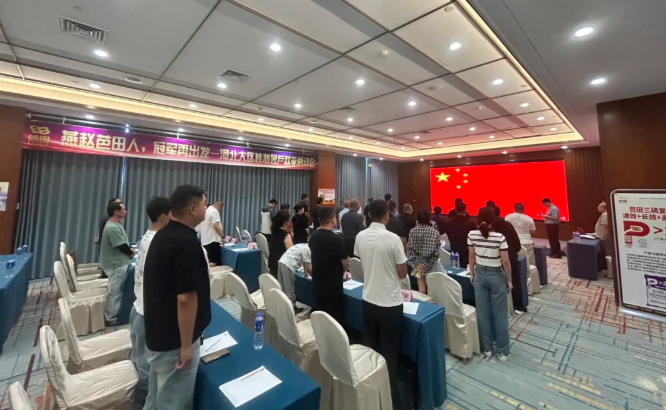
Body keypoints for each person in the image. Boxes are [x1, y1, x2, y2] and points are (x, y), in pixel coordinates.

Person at [142, 185, 211, 409]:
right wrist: (186, 345)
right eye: (204, 204)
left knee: (156, 398)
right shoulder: (185, 243)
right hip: (174, 342)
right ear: (192, 209)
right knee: (174, 402)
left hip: (159, 333)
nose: (207, 208)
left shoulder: (164, 234)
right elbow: (185, 299)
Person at [354, 200, 407, 409]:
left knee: (371, 348)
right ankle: (391, 401)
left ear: (368, 215)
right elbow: (402, 273)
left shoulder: (360, 236)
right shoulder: (393, 239)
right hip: (389, 303)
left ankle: (371, 397)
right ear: (386, 216)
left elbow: (362, 260)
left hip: (368, 299)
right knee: (390, 353)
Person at [129, 196, 170, 409]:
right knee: (148, 372)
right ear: (163, 217)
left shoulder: (147, 236)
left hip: (139, 308)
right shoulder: (158, 241)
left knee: (142, 363)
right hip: (148, 314)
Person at [467, 207, 512, 361]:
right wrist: (509, 280)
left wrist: (472, 274)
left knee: (483, 314)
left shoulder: (471, 234)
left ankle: (487, 348)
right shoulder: (500, 237)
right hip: (496, 276)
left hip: (480, 275)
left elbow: (471, 257)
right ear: (494, 220)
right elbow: (506, 261)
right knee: (500, 315)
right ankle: (502, 351)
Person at [309, 207, 349, 324]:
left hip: (317, 282)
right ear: (332, 219)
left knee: (321, 314)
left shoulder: (313, 236)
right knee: (334, 319)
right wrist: (343, 271)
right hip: (333, 286)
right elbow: (346, 263)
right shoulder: (337, 239)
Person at [100, 201, 133, 326]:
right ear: (116, 212)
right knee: (115, 292)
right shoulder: (112, 227)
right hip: (116, 264)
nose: (125, 211)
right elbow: (121, 245)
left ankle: (111, 315)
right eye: (123, 209)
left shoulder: (114, 224)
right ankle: (110, 318)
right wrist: (130, 253)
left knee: (115, 291)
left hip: (116, 263)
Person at [491, 205, 526, 314]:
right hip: (510, 257)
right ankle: (519, 306)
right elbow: (517, 244)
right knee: (515, 280)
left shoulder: (487, 229)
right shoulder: (507, 225)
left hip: (493, 259)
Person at [409, 208, 443, 294]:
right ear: (429, 218)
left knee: (421, 290)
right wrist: (426, 266)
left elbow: (411, 251)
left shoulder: (412, 231)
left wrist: (419, 265)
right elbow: (436, 254)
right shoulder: (435, 232)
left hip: (417, 264)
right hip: (432, 265)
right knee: (433, 291)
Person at [277, 243, 311, 307]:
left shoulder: (304, 245)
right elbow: (308, 268)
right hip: (289, 265)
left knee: (283, 288)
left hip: (281, 262)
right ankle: (292, 308)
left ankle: (283, 307)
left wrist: (305, 274)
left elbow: (305, 262)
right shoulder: (309, 250)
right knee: (289, 290)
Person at [447, 202, 477, 268]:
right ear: (465, 210)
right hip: (466, 251)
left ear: (455, 210)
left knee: (454, 268)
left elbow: (448, 234)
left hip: (454, 250)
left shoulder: (449, 222)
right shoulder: (470, 223)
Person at [268, 210, 293, 278]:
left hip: (272, 264)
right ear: (285, 222)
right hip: (282, 267)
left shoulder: (274, 232)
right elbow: (291, 253)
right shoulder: (286, 235)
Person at [200, 200, 223, 267]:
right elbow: (216, 226)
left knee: (208, 260)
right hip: (212, 240)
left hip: (205, 240)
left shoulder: (206, 211)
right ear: (219, 205)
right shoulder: (214, 211)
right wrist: (222, 236)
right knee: (213, 262)